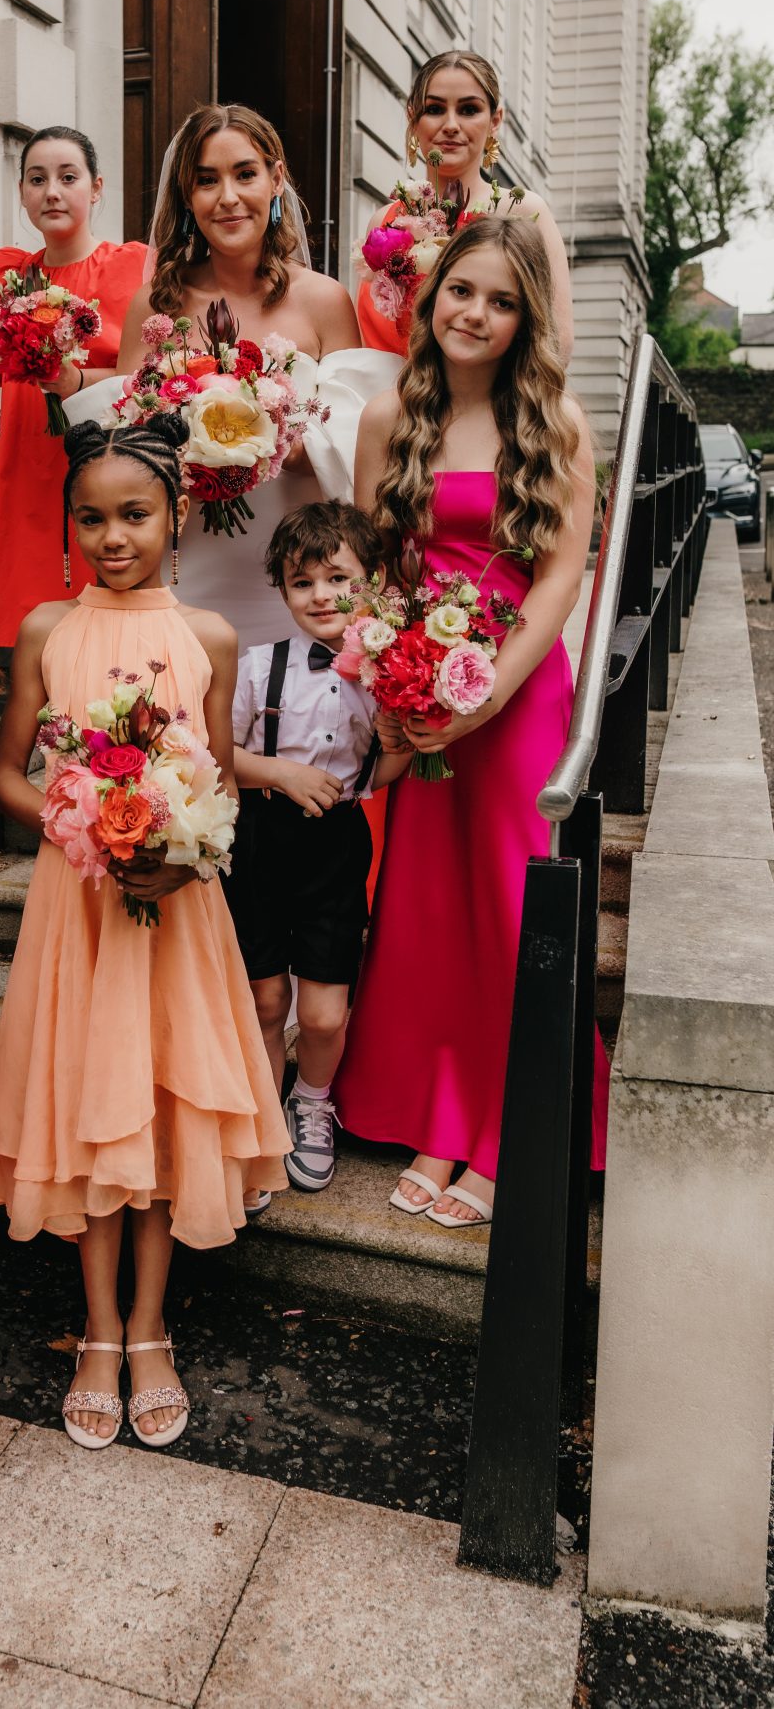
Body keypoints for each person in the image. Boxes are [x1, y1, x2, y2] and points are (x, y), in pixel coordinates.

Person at [0, 413, 290, 1450]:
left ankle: (152, 1328)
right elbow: (7, 775)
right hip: (83, 906)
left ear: (178, 514)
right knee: (92, 1107)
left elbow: (224, 778)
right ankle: (98, 1329)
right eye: (92, 519)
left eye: (135, 516)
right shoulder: (45, 630)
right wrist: (79, 827)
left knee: (159, 1109)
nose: (113, 538)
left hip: (178, 912)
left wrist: (182, 837)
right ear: (70, 524)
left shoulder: (209, 639)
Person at [333, 217, 609, 1227]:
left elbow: (564, 573)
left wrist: (485, 690)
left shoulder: (558, 423)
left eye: (500, 301)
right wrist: (400, 690)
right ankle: (438, 1115)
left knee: (507, 908)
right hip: (417, 697)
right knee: (431, 914)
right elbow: (372, 563)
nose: (476, 315)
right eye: (462, 292)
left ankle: (508, 1129)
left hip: (516, 692)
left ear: (524, 317)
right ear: (432, 293)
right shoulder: (385, 417)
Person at [65, 103, 391, 654]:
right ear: (188, 197)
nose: (228, 197)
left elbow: (356, 443)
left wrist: (266, 439)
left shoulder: (324, 301)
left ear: (276, 178)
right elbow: (122, 453)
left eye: (245, 173)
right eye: (207, 181)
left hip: (297, 573)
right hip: (187, 565)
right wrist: (190, 442)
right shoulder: (155, 305)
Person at [225, 503, 409, 1196]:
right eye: (302, 583)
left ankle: (312, 1101)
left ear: (375, 582)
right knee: (266, 997)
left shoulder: (384, 673)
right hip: (260, 837)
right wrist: (279, 773)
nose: (321, 596)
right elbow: (220, 755)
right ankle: (263, 1127)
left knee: (326, 1010)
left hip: (336, 845)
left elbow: (382, 774)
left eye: (339, 579)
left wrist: (395, 738)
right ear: (281, 591)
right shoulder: (257, 666)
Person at [0, 126, 148, 646]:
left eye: (68, 177)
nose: (52, 191)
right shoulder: (9, 274)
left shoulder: (134, 267)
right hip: (28, 462)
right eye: (37, 179)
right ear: (23, 192)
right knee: (25, 610)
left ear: (95, 187)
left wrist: (76, 380)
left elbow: (149, 372)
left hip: (104, 458)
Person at [356, 50, 574, 362]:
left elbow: (558, 342)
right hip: (391, 401)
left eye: (469, 109)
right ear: (412, 117)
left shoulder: (523, 211)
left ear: (495, 120)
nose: (451, 125)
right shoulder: (385, 221)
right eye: (434, 108)